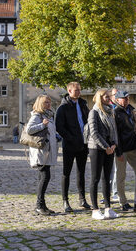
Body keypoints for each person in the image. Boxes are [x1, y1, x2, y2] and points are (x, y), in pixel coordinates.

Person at [55, 82, 91, 213]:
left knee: (81, 172)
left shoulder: (83, 104)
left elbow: (87, 121)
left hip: (83, 144)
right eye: (76, 90)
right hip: (70, 145)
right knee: (66, 173)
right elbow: (59, 127)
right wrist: (71, 138)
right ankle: (65, 200)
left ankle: (82, 198)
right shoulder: (63, 107)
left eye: (79, 90)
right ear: (69, 91)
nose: (78, 92)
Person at [87, 89, 120, 220]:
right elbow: (94, 132)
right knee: (95, 178)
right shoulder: (93, 112)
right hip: (96, 148)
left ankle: (108, 208)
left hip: (109, 148)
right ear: (100, 98)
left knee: (107, 178)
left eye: (109, 97)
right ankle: (95, 209)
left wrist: (114, 145)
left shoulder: (110, 111)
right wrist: (106, 146)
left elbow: (114, 130)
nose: (108, 99)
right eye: (106, 97)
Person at [113, 90, 136, 211]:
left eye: (127, 97)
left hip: (133, 147)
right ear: (117, 99)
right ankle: (123, 202)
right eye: (124, 98)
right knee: (121, 176)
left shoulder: (131, 110)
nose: (126, 100)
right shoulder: (115, 112)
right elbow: (115, 134)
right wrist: (118, 152)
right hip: (122, 149)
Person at [26, 94, 59, 216]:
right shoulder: (37, 115)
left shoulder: (48, 115)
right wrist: (42, 125)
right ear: (40, 104)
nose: (49, 104)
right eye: (46, 103)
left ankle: (42, 205)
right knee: (45, 177)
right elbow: (29, 129)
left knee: (44, 177)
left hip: (47, 151)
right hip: (40, 152)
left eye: (49, 102)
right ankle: (39, 205)